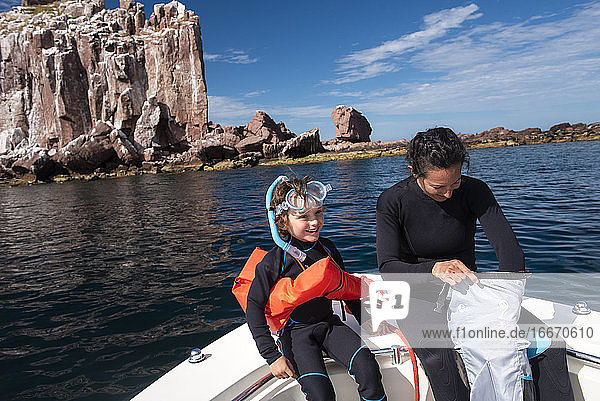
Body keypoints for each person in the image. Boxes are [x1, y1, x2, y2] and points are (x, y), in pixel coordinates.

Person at [376, 127, 573, 401]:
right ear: (414, 172)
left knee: (549, 344)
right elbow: (387, 267)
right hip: (417, 294)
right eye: (437, 187)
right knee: (440, 355)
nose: (448, 194)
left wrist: (506, 305)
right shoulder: (392, 200)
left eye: (454, 183)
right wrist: (433, 269)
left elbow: (512, 254)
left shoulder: (475, 190)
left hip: (467, 289)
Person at [246, 175, 387, 401]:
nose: (314, 222)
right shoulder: (274, 261)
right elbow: (253, 306)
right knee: (321, 395)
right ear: (282, 222)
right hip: (295, 334)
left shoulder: (328, 249)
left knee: (367, 367)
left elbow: (345, 289)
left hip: (329, 325)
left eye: (318, 213)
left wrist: (367, 320)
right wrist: (271, 356)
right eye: (303, 217)